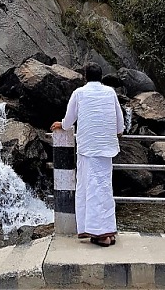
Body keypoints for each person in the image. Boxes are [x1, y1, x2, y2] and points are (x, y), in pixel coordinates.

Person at [51, 62, 124, 247]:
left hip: (88, 148)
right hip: (106, 148)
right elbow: (119, 120)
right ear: (101, 76)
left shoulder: (79, 93)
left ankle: (100, 234)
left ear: (85, 76)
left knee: (90, 188)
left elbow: (69, 120)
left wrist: (62, 125)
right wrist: (118, 131)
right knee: (105, 188)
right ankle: (108, 229)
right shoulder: (110, 93)